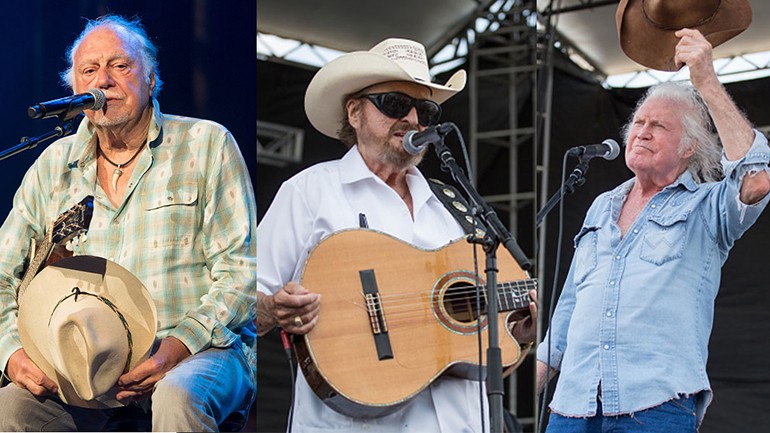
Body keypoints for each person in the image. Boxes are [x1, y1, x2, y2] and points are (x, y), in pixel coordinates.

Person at [257, 38, 538, 432]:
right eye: (394, 104)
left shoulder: (453, 208)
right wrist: (271, 308)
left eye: (426, 110)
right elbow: (239, 305)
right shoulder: (309, 192)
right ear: (354, 112)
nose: (412, 119)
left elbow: (476, 354)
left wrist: (519, 333)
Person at [0, 15, 256, 432]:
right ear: (76, 89)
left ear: (150, 78)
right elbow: (1, 273)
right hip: (86, 366)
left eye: (120, 66)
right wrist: (11, 352)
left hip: (197, 350)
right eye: (89, 71)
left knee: (178, 395)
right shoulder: (53, 164)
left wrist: (178, 346)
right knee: (11, 407)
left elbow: (241, 272)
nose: (103, 81)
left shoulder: (207, 143)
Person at [536, 29, 770, 432]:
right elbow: (568, 312)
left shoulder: (706, 207)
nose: (641, 131)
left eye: (658, 125)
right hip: (570, 408)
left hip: (654, 407)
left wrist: (706, 81)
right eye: (638, 122)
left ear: (689, 147)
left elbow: (755, 181)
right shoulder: (600, 207)